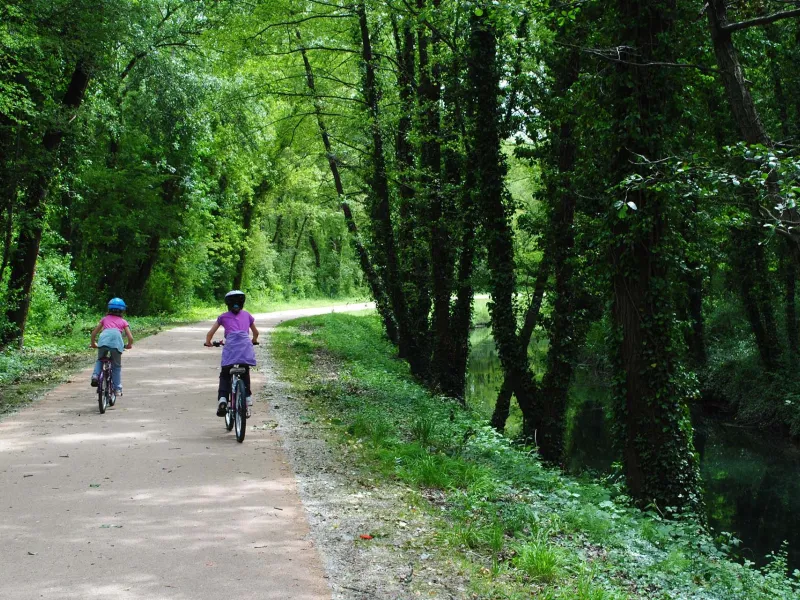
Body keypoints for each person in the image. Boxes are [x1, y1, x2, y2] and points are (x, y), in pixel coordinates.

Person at [204, 290, 259, 416]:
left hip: (230, 349)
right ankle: (247, 397)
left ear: (227, 304)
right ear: (242, 303)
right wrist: (254, 340)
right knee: (245, 370)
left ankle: (223, 398)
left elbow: (209, 334)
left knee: (225, 373)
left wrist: (208, 342)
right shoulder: (247, 315)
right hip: (245, 348)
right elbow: (256, 333)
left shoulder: (223, 317)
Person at [90, 297, 134, 395]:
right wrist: (129, 345)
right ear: (123, 311)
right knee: (116, 366)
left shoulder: (104, 319)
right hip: (116, 343)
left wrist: (93, 343)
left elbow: (94, 333)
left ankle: (95, 376)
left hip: (103, 341)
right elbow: (130, 338)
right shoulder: (123, 322)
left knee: (100, 360)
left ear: (109, 309)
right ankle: (117, 389)